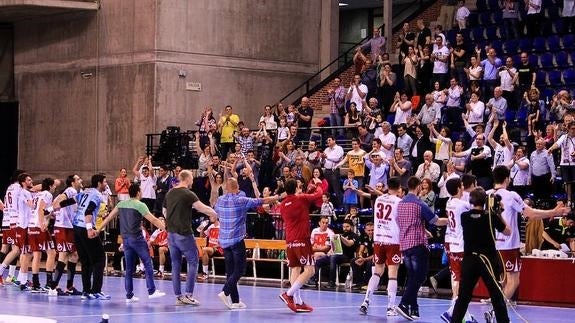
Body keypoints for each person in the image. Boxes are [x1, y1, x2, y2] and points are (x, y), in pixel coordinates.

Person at [486, 166, 570, 308]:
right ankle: (496, 309)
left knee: (503, 279)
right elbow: (530, 213)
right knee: (514, 281)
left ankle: (496, 305)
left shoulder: (487, 195)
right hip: (508, 245)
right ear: (507, 179)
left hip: (492, 245)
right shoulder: (511, 195)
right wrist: (553, 213)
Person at [450, 187, 511, 323]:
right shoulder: (490, 217)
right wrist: (498, 213)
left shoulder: (464, 216)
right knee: (496, 295)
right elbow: (507, 232)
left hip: (470, 260)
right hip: (487, 260)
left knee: (463, 296)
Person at [215, 177, 278, 309]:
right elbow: (262, 201)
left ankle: (236, 301)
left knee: (230, 271)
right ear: (237, 187)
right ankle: (225, 292)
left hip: (224, 241)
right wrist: (279, 196)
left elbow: (216, 211)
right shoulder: (240, 200)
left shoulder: (220, 200)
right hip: (236, 240)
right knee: (240, 270)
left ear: (226, 188)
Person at [97, 183, 166, 303]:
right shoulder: (140, 205)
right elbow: (153, 219)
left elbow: (108, 218)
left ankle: (129, 295)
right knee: (147, 262)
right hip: (137, 238)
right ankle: (152, 291)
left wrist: (98, 229)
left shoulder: (121, 204)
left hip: (126, 239)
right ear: (138, 192)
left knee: (129, 268)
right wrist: (166, 228)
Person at [395, 176, 448, 321]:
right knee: (420, 276)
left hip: (405, 244)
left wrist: (423, 229)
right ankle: (404, 304)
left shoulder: (400, 204)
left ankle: (414, 309)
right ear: (418, 187)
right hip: (418, 244)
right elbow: (436, 221)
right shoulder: (419, 204)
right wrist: (451, 220)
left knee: (413, 276)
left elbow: (403, 222)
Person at [163, 169, 218, 306]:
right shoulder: (188, 194)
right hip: (184, 233)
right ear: (187, 179)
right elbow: (201, 208)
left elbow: (164, 211)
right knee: (193, 262)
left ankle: (178, 296)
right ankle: (188, 294)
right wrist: (214, 213)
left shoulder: (170, 193)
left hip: (171, 234)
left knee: (175, 264)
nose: (192, 180)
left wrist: (172, 220)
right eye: (192, 178)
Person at [360, 177, 403, 316]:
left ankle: (366, 300)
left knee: (377, 272)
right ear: (399, 188)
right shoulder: (399, 202)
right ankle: (390, 307)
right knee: (392, 275)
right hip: (393, 240)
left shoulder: (379, 199)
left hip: (379, 240)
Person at [278, 178, 323, 313]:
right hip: (302, 240)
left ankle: (298, 301)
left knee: (295, 269)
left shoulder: (282, 204)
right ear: (296, 189)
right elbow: (319, 194)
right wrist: (318, 184)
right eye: (299, 187)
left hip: (290, 241)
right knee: (310, 270)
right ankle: (289, 294)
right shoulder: (301, 198)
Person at [72, 173, 110, 300]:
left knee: (85, 261)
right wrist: (89, 229)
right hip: (85, 227)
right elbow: (88, 211)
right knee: (99, 259)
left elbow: (70, 201)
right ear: (99, 183)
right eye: (104, 182)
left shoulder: (85, 192)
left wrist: (49, 209)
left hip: (76, 227)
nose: (106, 184)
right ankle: (96, 291)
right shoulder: (97, 195)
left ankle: (86, 291)